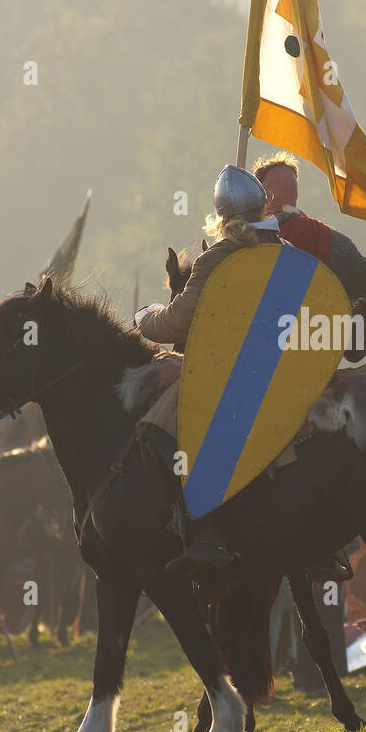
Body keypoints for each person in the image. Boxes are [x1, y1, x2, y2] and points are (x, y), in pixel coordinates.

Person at [134, 165, 278, 574]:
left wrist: (143, 316)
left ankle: (205, 530)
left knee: (156, 429)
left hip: (230, 378)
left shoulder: (217, 258)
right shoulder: (283, 253)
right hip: (283, 377)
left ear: (220, 219)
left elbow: (173, 325)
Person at [253, 153, 366, 300]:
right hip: (336, 244)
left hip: (330, 256)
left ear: (262, 193)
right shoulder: (299, 224)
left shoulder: (268, 233)